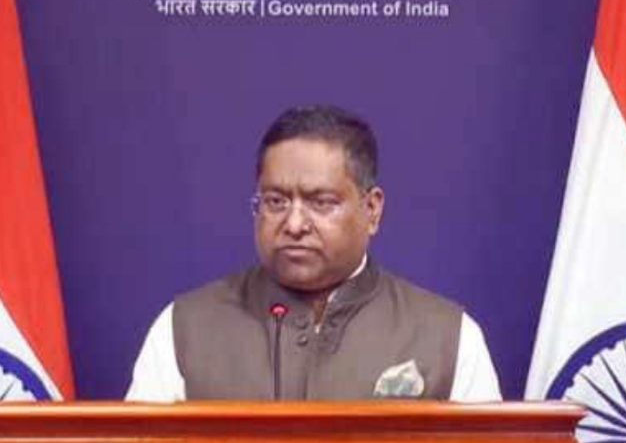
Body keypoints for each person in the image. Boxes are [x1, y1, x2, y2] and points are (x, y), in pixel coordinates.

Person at [126, 105, 501, 401]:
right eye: (276, 201)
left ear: (372, 210)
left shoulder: (448, 337)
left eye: (321, 202)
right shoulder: (184, 328)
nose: (293, 224)